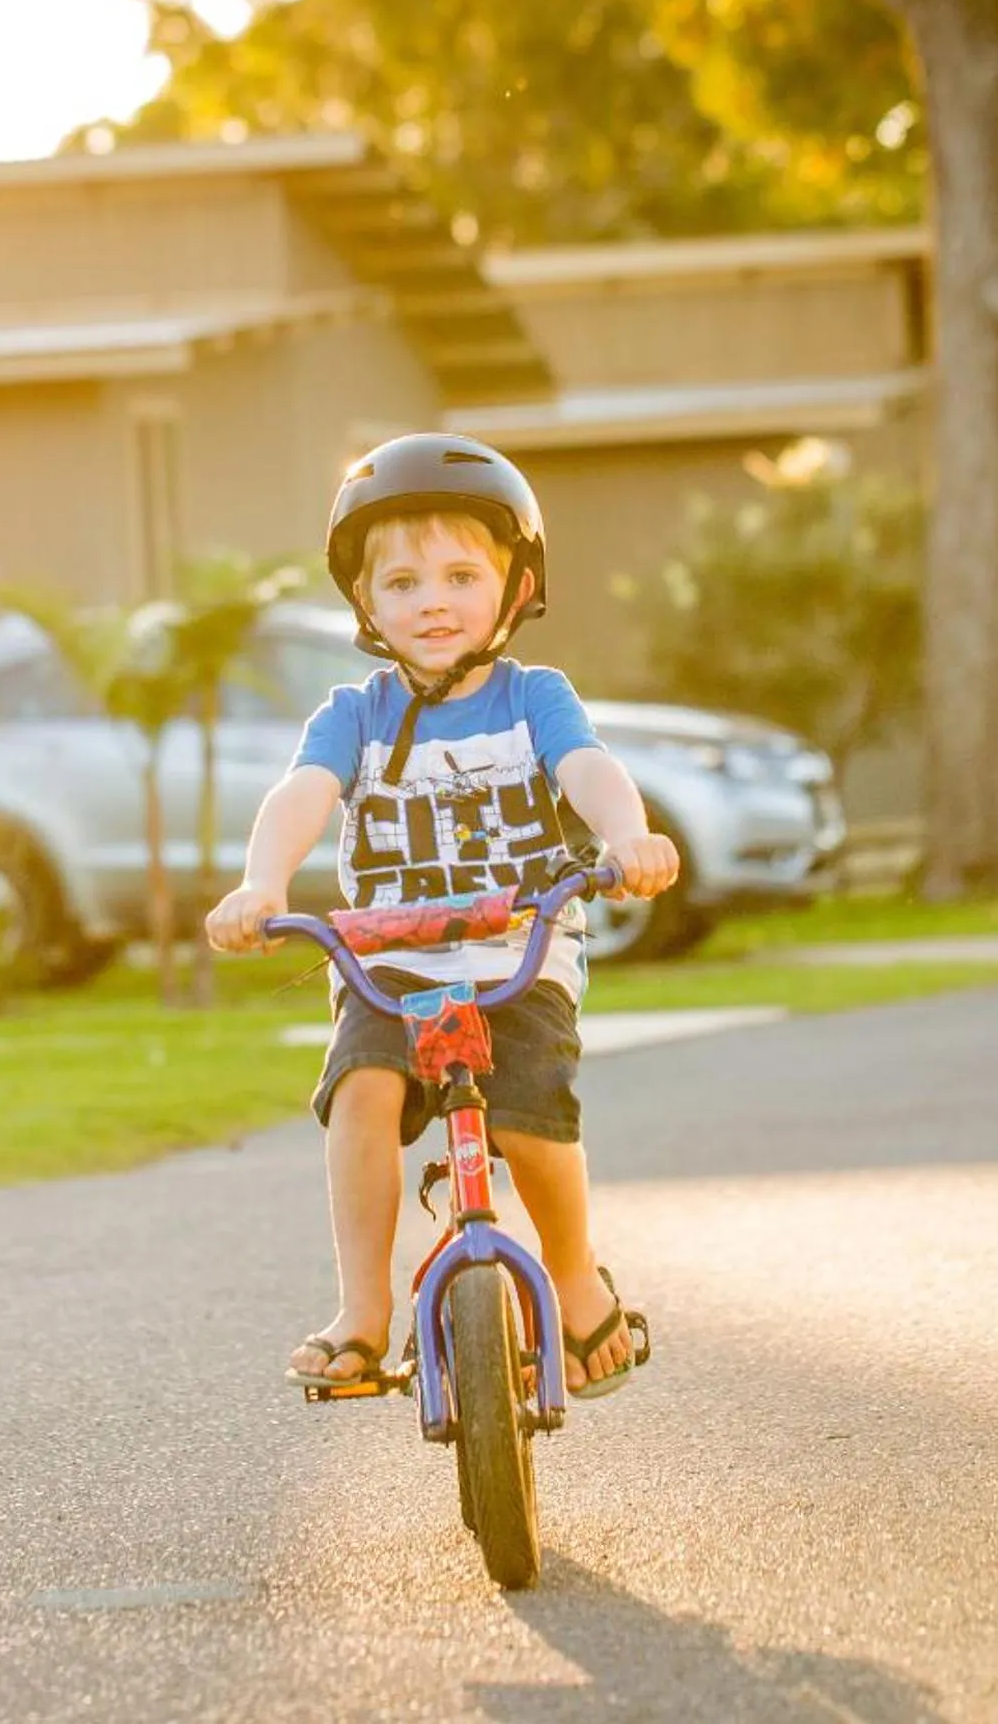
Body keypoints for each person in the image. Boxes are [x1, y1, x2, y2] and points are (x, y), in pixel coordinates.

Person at [202, 432, 681, 1398]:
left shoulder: (533, 698)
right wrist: (262, 882)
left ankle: (578, 1278)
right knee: (361, 1095)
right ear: (366, 604)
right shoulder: (356, 713)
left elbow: (588, 769)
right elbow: (301, 793)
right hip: (391, 965)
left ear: (514, 589)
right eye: (404, 582)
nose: (432, 601)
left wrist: (626, 834)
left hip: (517, 953)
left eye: (462, 575)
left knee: (533, 1116)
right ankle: (363, 1310)